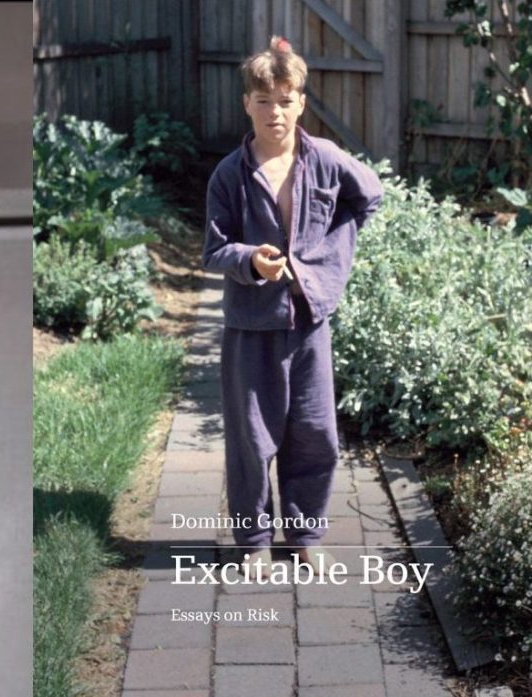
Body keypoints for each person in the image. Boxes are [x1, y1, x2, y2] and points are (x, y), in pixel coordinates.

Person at [201, 36, 383, 580]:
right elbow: (213, 249)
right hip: (250, 326)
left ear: (301, 102)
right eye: (264, 100)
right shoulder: (230, 175)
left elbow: (368, 197)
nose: (274, 111)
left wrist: (326, 258)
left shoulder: (325, 159)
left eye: (286, 99)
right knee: (251, 437)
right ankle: (254, 538)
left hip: (309, 324)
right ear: (247, 105)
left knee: (314, 430)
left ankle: (305, 534)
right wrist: (249, 261)